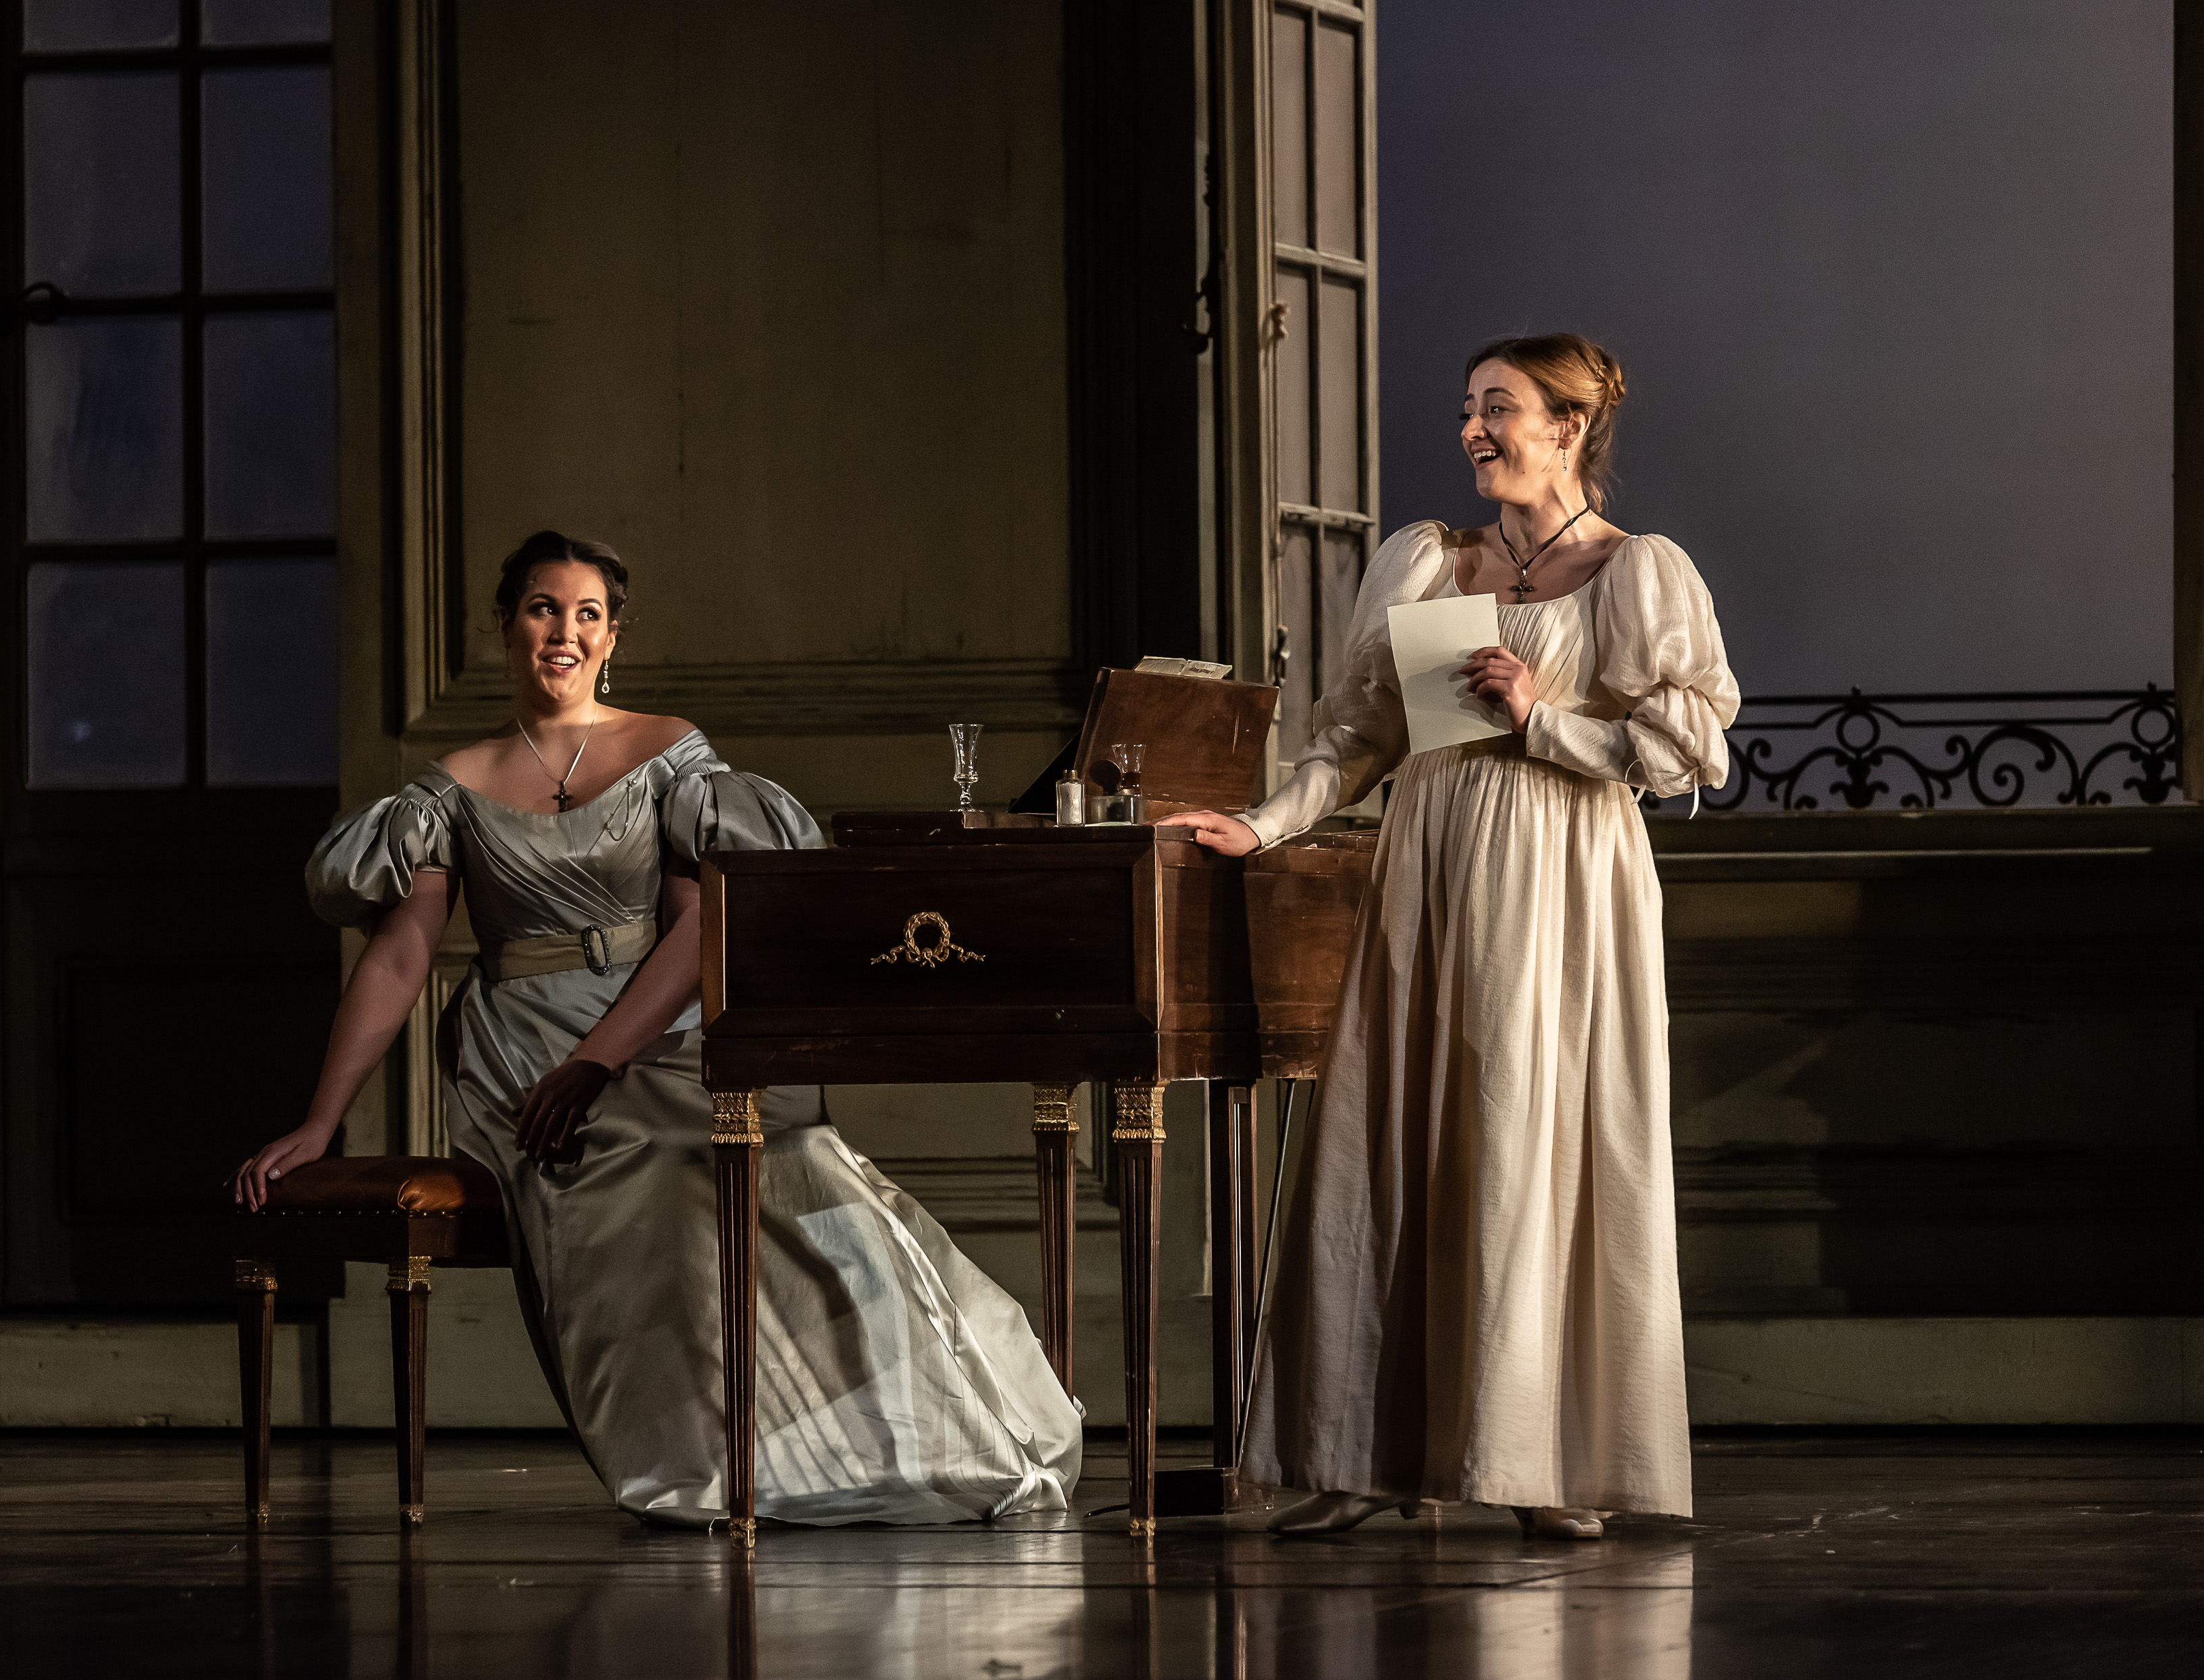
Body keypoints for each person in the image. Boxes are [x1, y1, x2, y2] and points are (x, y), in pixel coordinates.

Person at [232, 530, 1080, 1527]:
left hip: (654, 1024)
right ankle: (710, 1461)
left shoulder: (669, 753)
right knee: (647, 1165)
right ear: (505, 625)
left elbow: (697, 929)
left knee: (794, 1163)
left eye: (588, 613)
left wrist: (601, 1058)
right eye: (544, 608)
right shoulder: (449, 787)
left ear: (612, 639)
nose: (565, 630)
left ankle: (898, 1432)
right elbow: (398, 959)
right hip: (520, 1044)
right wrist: (322, 1121)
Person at [1162, 335, 1738, 1540]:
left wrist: (1543, 719)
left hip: (1562, 877)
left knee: (1537, 1133)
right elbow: (1357, 735)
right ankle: (1357, 1454)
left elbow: (1692, 754)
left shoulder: (1637, 574)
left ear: (1570, 427)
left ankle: (1544, 1463)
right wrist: (1261, 824)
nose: (1475, 430)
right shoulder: (1429, 562)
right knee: (1396, 1134)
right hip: (1430, 863)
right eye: (1468, 409)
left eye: (1501, 409)